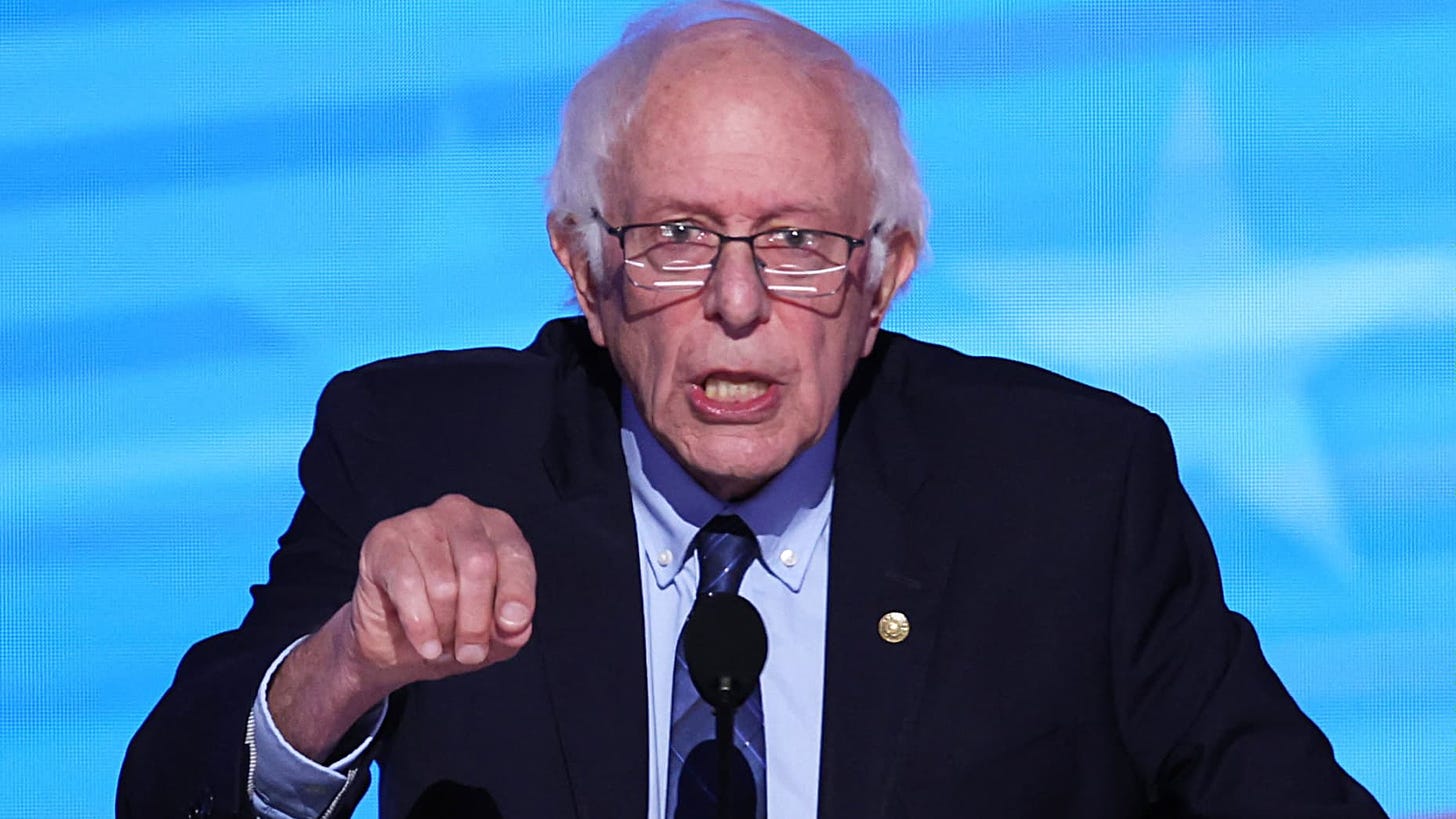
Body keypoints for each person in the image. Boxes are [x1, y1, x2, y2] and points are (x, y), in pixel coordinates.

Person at [118, 2, 1387, 817]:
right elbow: (166, 800)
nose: (736, 301)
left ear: (881, 275)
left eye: (794, 240)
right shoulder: (421, 451)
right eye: (675, 235)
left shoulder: (1069, 492)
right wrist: (349, 666)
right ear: (584, 268)